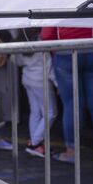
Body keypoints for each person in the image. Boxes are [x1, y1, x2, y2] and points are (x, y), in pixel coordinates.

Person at [40, 26, 93, 164]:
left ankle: (71, 152)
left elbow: (46, 35)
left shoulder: (57, 3)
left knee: (72, 105)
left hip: (66, 52)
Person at [14, 28, 57, 157]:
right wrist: (57, 83)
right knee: (51, 112)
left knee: (35, 112)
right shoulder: (41, 41)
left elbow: (17, 62)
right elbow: (48, 65)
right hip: (41, 79)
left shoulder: (19, 42)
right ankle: (35, 142)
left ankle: (36, 146)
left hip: (27, 78)